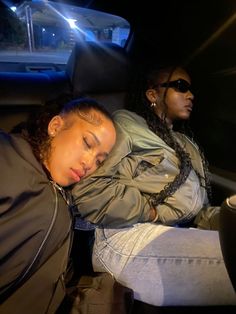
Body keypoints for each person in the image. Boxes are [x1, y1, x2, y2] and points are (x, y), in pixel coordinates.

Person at [72, 66, 236, 306]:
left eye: (191, 89)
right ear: (152, 95)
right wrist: (151, 211)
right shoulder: (126, 125)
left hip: (174, 230)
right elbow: (90, 191)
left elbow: (197, 210)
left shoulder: (185, 143)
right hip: (125, 233)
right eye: (181, 87)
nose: (191, 95)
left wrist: (226, 219)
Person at [0, 97, 116, 313]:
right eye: (88, 143)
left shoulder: (63, 199)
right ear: (55, 126)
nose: (90, 163)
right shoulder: (7, 155)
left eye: (100, 160)